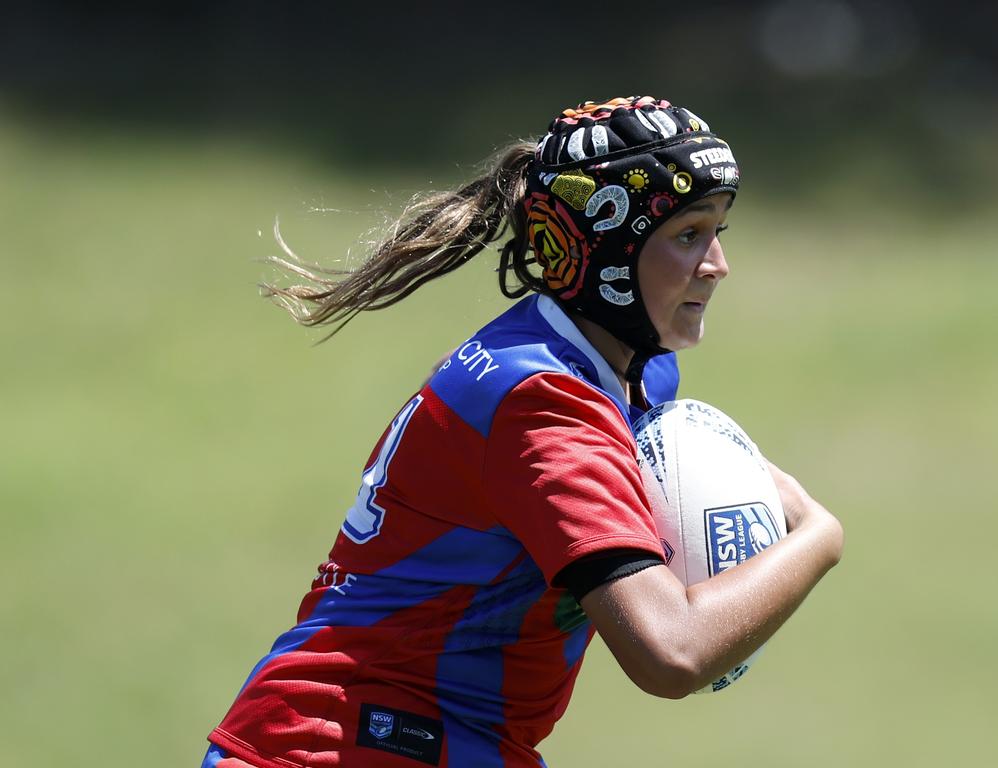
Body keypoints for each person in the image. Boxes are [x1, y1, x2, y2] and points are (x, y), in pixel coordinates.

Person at [202, 96, 843, 768]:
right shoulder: (547, 403)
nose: (717, 263)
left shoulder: (620, 375)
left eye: (719, 231)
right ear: (609, 253)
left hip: (435, 741)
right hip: (339, 745)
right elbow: (671, 651)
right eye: (688, 235)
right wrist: (822, 537)